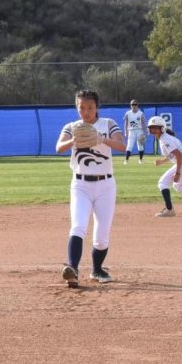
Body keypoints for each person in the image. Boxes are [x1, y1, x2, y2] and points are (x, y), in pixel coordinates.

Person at [55, 89, 125, 287]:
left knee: (102, 236)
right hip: (81, 184)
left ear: (97, 107)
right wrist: (73, 141)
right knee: (78, 226)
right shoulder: (72, 127)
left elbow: (122, 145)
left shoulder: (108, 124)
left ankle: (97, 269)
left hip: (106, 185)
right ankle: (73, 270)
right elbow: (58, 147)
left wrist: (101, 139)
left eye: (90, 107)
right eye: (81, 107)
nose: (86, 112)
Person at [147, 115, 182, 217]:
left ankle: (169, 210)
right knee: (177, 185)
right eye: (151, 127)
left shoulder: (164, 139)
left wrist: (178, 172)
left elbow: (179, 155)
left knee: (163, 182)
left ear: (161, 128)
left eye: (155, 127)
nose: (152, 129)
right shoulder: (165, 138)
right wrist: (162, 161)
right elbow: (174, 154)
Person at [122, 99, 148, 164]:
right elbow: (126, 123)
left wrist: (145, 133)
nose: (134, 106)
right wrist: (125, 131)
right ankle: (126, 160)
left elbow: (143, 123)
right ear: (130, 105)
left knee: (140, 145)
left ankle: (140, 160)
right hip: (131, 130)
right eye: (132, 104)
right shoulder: (128, 113)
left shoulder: (141, 113)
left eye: (135, 104)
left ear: (137, 105)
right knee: (129, 145)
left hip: (139, 130)